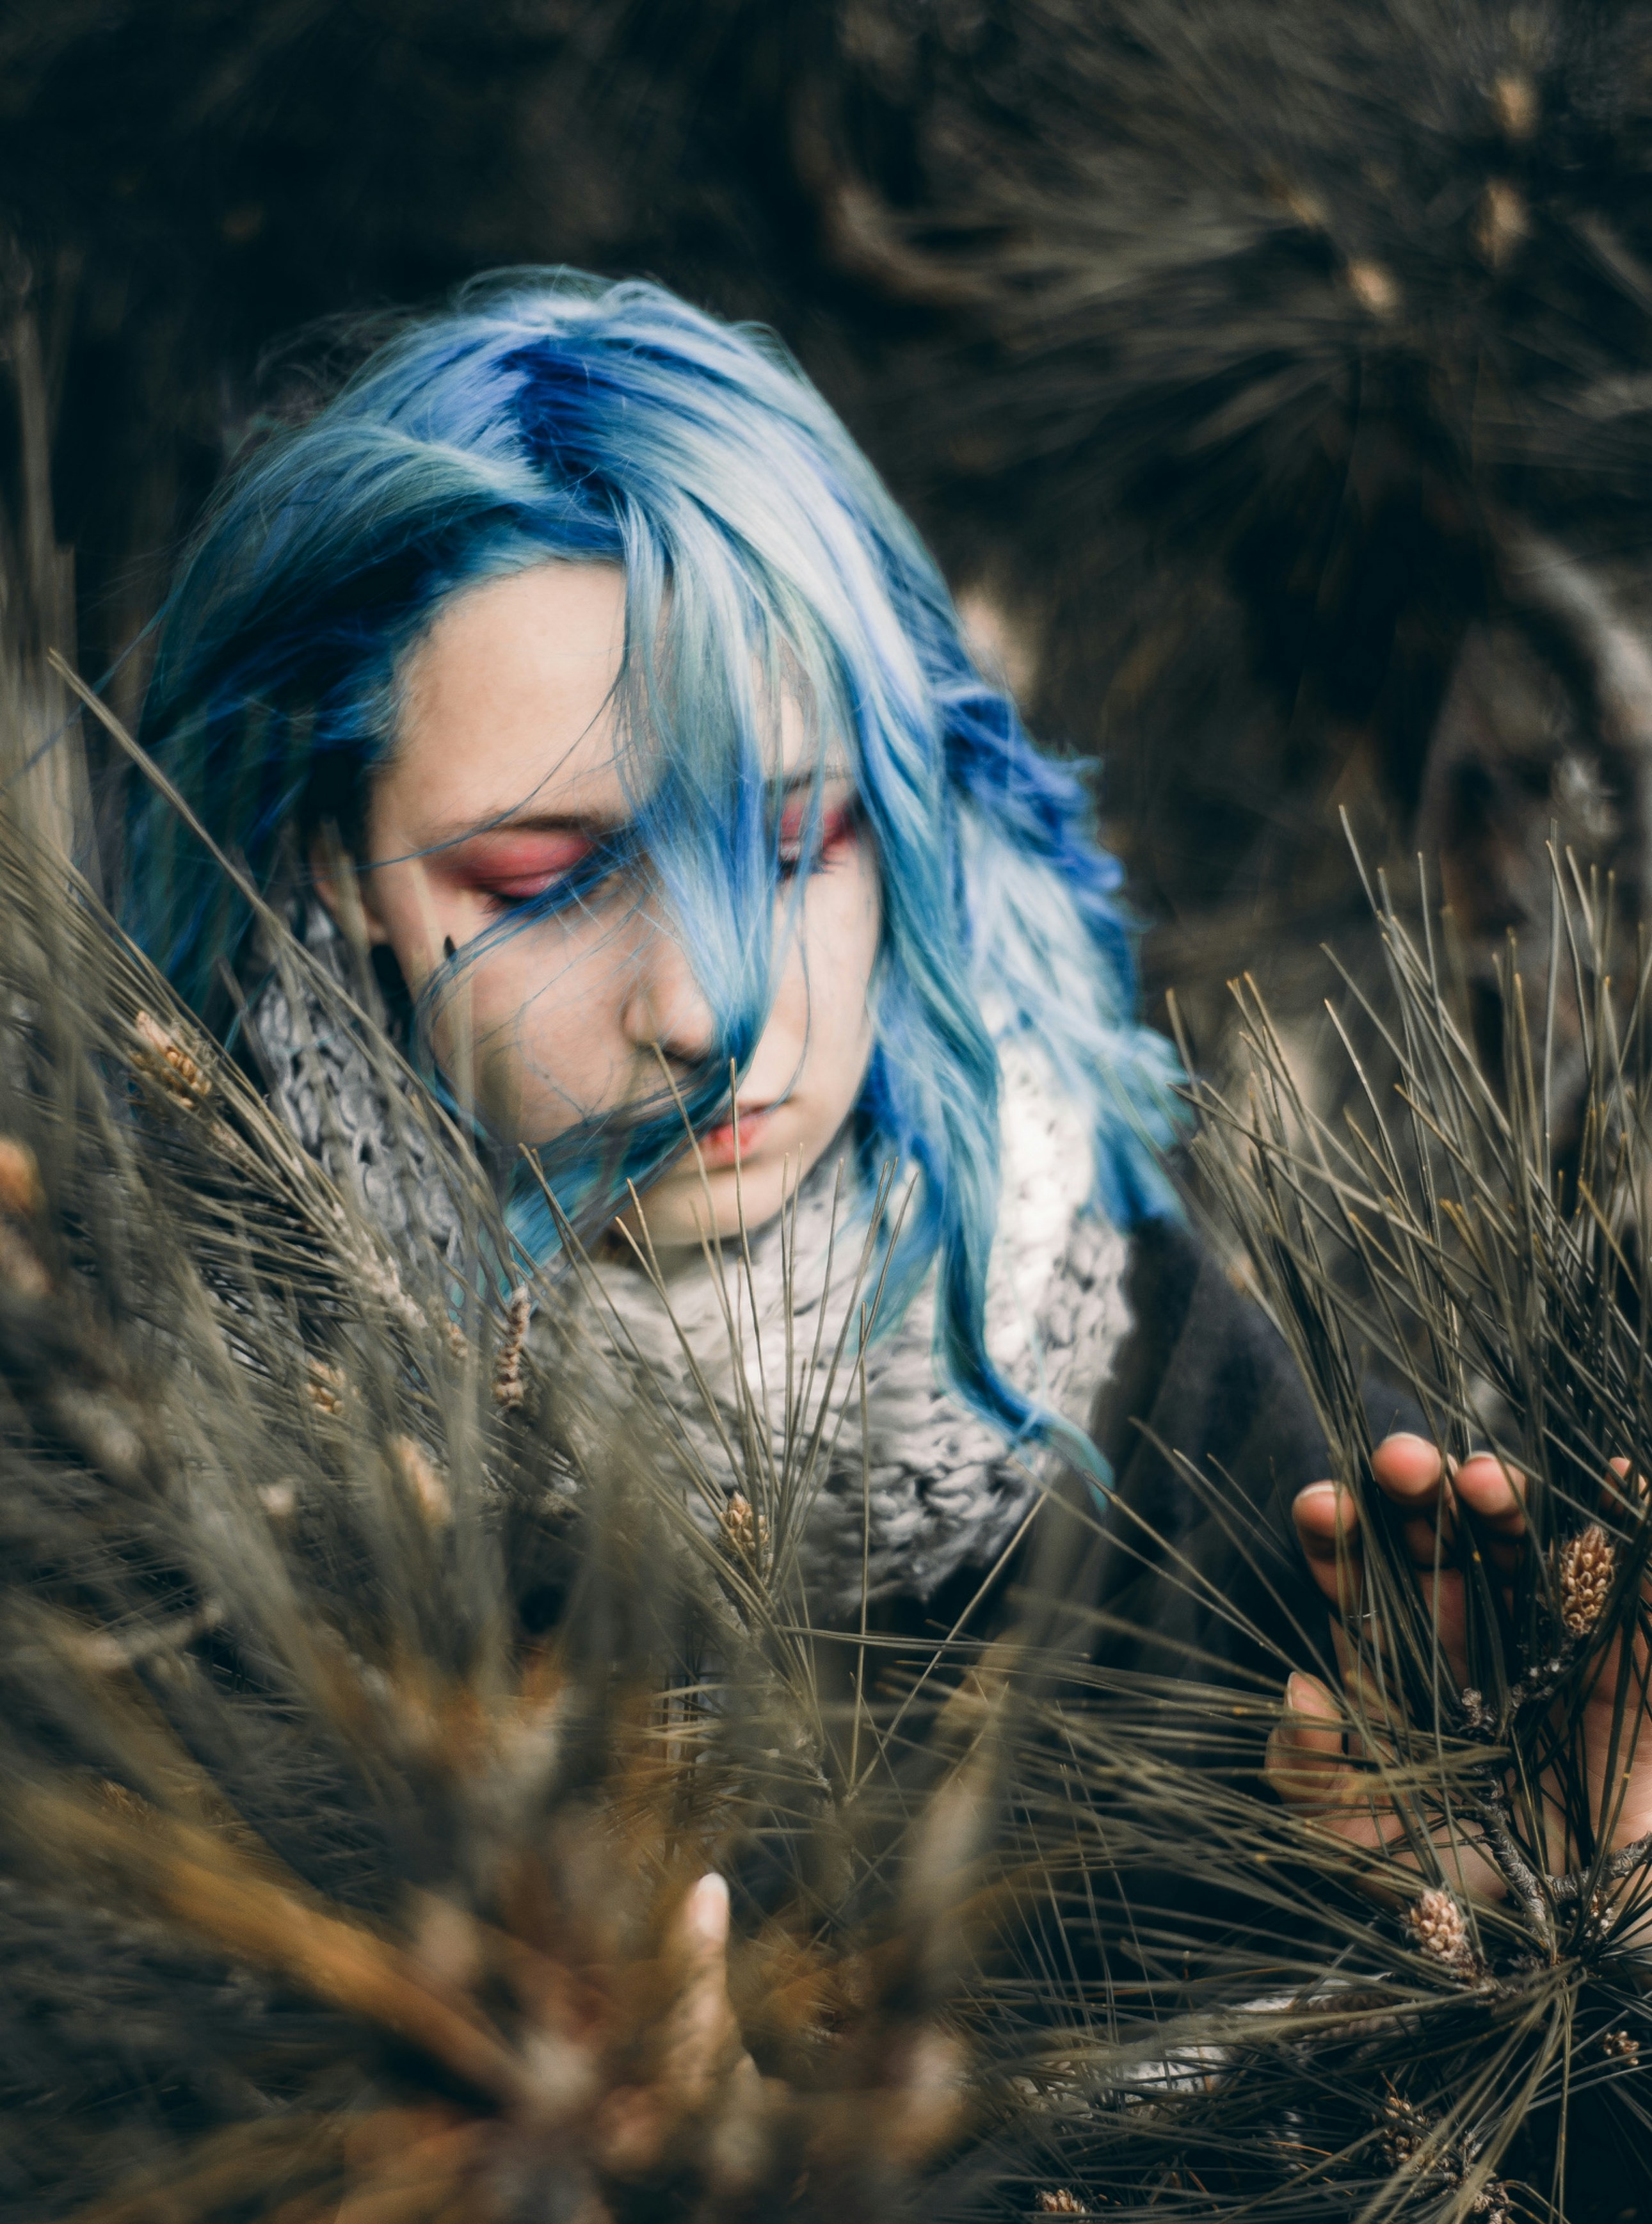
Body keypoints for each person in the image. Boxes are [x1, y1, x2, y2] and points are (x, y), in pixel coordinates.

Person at [123, 270, 1652, 1912]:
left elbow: (1438, 2132)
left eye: (793, 842)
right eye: (547, 879)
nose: (706, 1007)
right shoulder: (155, 1437)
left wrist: (1437, 1941)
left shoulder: (1187, 1387)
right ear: (332, 861)